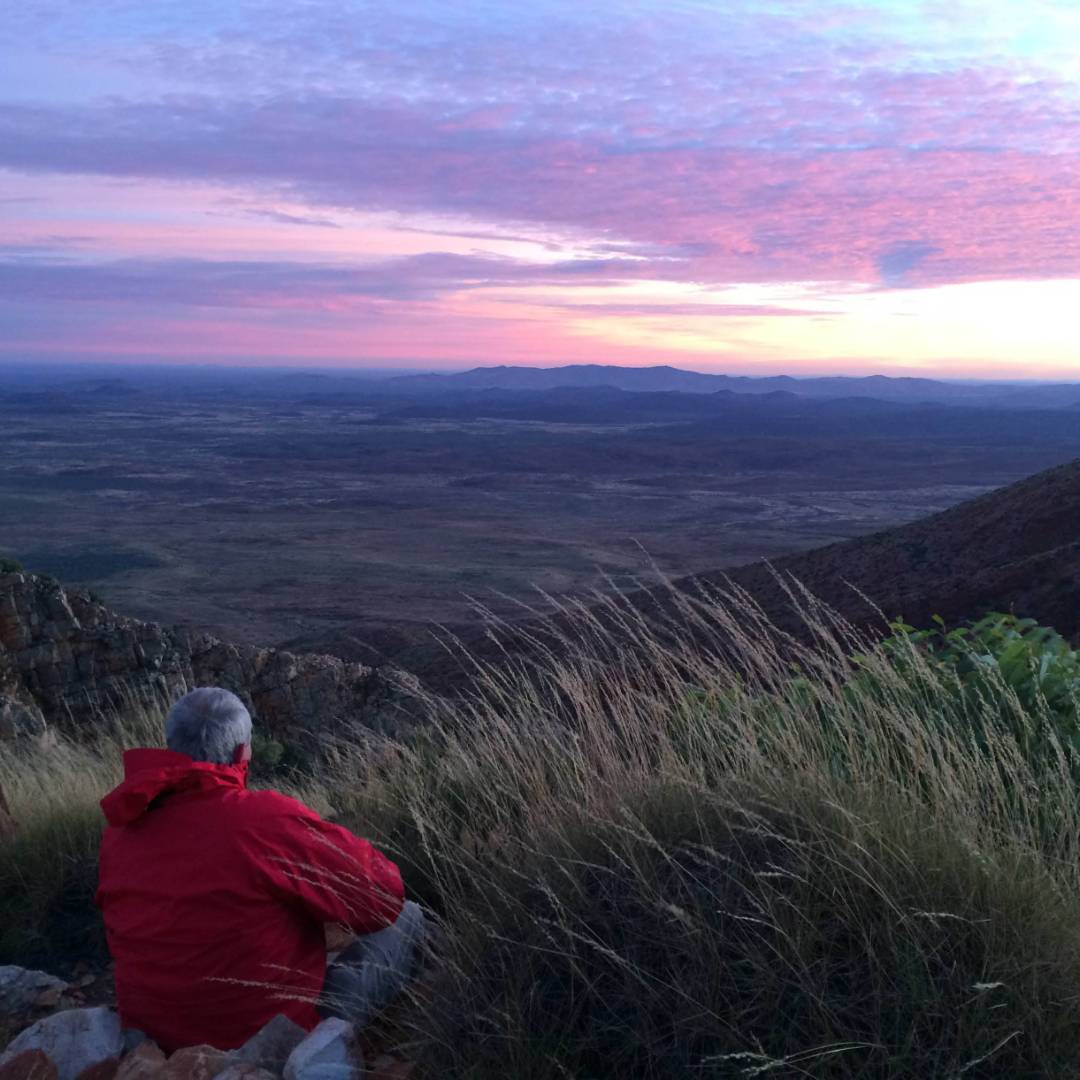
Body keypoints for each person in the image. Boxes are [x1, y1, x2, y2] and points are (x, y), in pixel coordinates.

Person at [96, 686, 424, 1051]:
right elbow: (382, 896)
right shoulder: (263, 822)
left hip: (156, 1040)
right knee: (408, 918)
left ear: (171, 745)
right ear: (242, 753)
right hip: (269, 1044)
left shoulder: (121, 829)